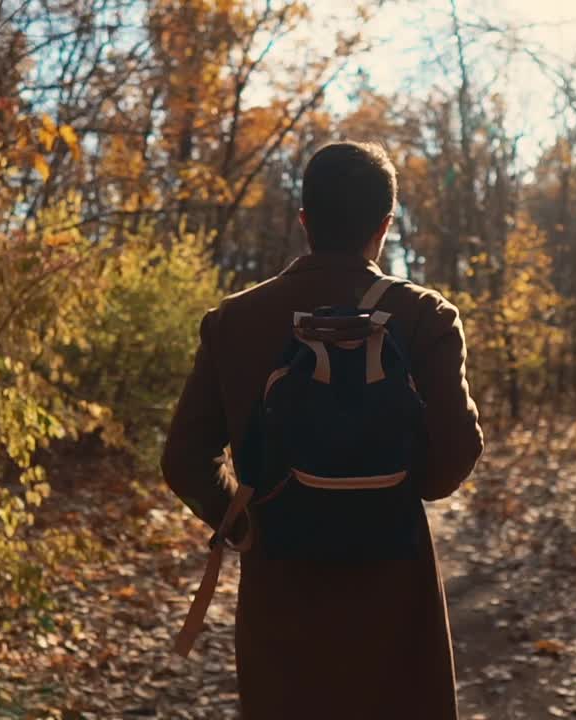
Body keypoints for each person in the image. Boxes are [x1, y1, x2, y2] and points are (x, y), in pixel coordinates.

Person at [161, 140, 483, 719]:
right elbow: (447, 466)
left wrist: (245, 524)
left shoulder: (233, 320)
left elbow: (184, 459)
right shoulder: (424, 316)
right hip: (394, 591)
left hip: (281, 589)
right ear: (385, 225)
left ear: (304, 220)